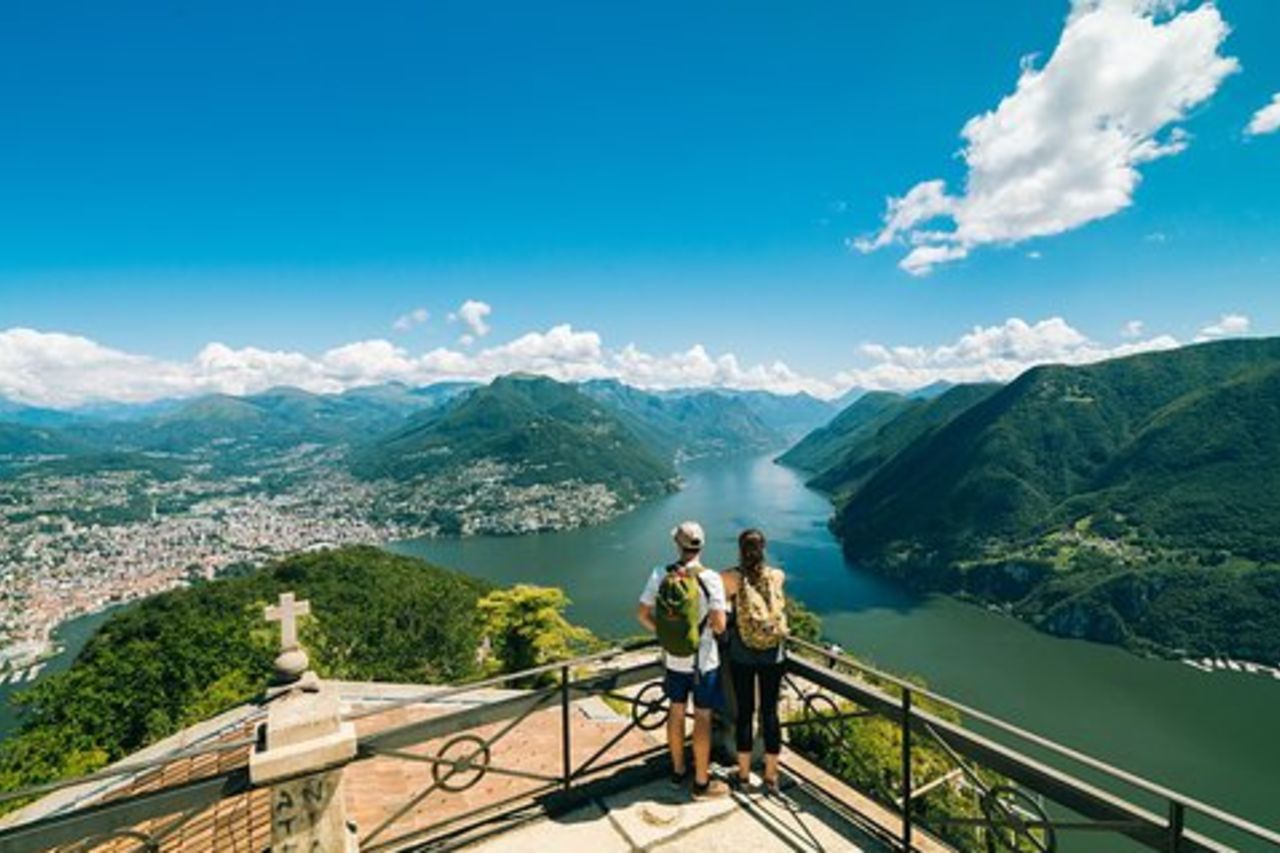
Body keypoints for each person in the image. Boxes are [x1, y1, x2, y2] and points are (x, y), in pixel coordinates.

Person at [637, 520, 729, 799]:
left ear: (677, 544)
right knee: (702, 717)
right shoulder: (711, 578)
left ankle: (677, 772)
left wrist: (665, 634)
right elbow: (720, 624)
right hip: (704, 662)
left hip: (674, 660)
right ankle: (701, 782)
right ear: (701, 546)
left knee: (675, 713)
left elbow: (641, 615)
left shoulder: (660, 574)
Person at [721, 528, 788, 795]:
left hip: (741, 654)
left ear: (740, 549)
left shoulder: (730, 578)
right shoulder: (777, 576)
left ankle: (745, 775)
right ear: (764, 548)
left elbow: (717, 600)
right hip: (773, 654)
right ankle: (771, 777)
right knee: (770, 713)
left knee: (745, 713)